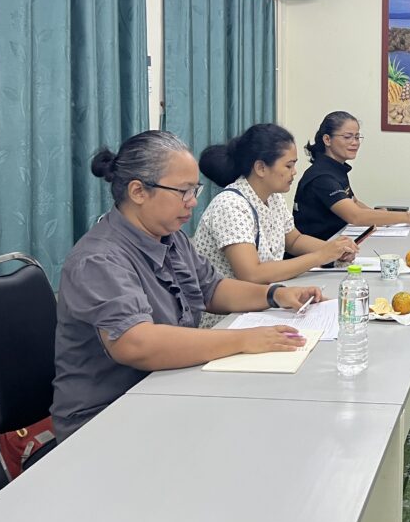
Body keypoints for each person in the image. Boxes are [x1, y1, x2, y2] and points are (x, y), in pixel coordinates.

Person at [52, 131, 323, 439]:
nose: (193, 202)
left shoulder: (169, 236)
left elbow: (211, 289)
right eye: (183, 191)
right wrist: (245, 340)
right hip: (106, 417)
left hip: (166, 388)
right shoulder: (100, 259)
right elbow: (137, 344)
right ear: (138, 191)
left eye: (194, 189)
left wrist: (276, 295)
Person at [193, 123, 359, 284]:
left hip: (265, 293)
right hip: (232, 303)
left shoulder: (274, 197)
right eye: (288, 166)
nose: (294, 172)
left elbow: (294, 240)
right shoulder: (231, 205)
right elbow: (252, 274)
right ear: (261, 168)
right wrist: (320, 256)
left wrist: (334, 250)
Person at [293, 111, 410, 240]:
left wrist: (379, 215)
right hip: (319, 249)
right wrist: (408, 218)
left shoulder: (335, 168)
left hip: (338, 241)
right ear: (327, 139)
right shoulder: (322, 177)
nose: (355, 142)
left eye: (357, 137)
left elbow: (354, 202)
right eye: (347, 137)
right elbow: (356, 216)